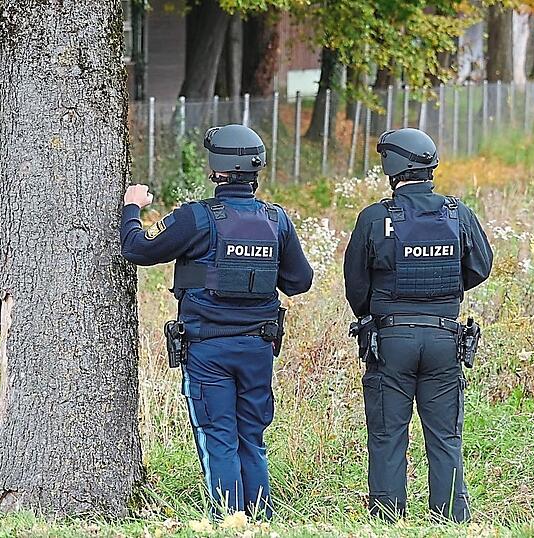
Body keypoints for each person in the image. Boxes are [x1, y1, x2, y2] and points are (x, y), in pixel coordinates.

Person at [120, 124, 313, 518]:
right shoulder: (277, 220)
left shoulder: (196, 218)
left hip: (208, 351)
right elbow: (300, 281)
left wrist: (131, 208)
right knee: (251, 439)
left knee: (218, 439)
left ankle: (228, 521)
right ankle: (260, 521)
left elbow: (137, 249)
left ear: (216, 168)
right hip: (258, 349)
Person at [343, 128, 493, 523]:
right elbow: (480, 267)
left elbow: (355, 285)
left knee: (388, 435)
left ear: (391, 167)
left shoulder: (375, 218)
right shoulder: (457, 213)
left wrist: (381, 310)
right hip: (445, 336)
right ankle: (450, 518)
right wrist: (444, 294)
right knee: (445, 437)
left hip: (390, 338)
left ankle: (387, 518)